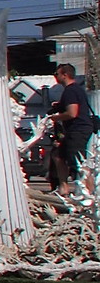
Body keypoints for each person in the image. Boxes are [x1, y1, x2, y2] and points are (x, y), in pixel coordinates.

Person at [47, 64, 94, 197]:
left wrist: (56, 118)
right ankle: (63, 188)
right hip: (75, 130)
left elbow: (72, 113)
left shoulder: (71, 91)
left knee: (78, 162)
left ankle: (89, 192)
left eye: (56, 74)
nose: (55, 77)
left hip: (78, 130)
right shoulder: (75, 90)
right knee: (58, 155)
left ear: (64, 75)